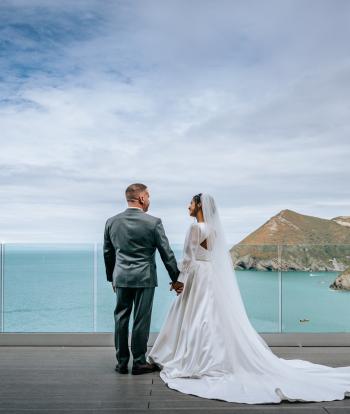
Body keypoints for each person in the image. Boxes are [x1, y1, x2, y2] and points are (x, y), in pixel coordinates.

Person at [147, 192, 350, 404]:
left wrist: (179, 280)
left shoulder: (195, 228)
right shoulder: (214, 230)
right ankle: (213, 355)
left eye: (190, 203)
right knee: (208, 314)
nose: (187, 206)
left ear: (199, 206)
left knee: (193, 314)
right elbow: (211, 256)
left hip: (197, 274)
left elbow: (189, 258)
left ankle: (192, 356)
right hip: (209, 275)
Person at [103, 183, 184, 375]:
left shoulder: (111, 222)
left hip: (121, 277)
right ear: (141, 198)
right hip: (145, 278)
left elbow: (108, 253)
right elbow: (167, 254)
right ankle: (139, 362)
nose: (149, 200)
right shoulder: (153, 222)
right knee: (141, 320)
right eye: (148, 196)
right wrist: (176, 279)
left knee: (121, 319)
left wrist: (112, 278)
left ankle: (121, 363)